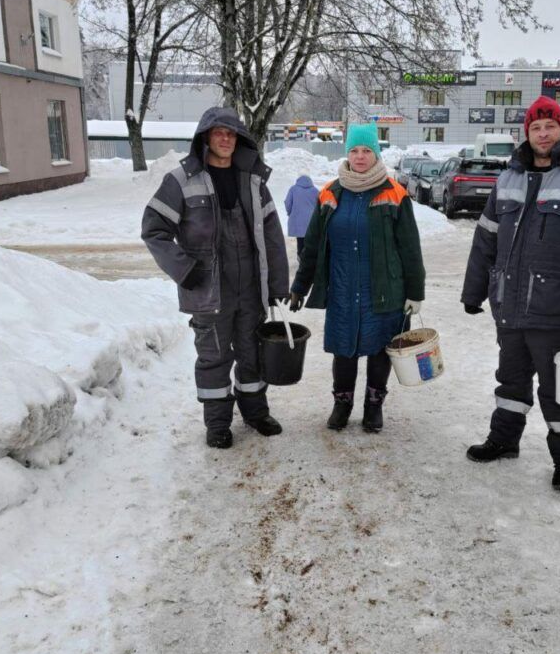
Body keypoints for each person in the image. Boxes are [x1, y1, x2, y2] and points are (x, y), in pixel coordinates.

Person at [461, 96, 560, 492]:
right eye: (535, 128)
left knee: (559, 392)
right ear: (526, 133)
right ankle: (504, 440)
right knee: (509, 381)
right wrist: (474, 290)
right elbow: (485, 241)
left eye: (549, 126)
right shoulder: (508, 180)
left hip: (556, 312)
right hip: (509, 308)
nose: (543, 134)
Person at [142, 107, 290, 449]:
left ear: (239, 140)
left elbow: (272, 237)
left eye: (232, 133)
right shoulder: (180, 181)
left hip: (250, 289)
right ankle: (218, 424)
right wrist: (184, 269)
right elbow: (154, 231)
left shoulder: (252, 182)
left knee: (253, 354)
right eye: (218, 132)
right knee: (215, 357)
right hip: (209, 292)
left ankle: (255, 413)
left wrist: (277, 287)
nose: (225, 139)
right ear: (205, 137)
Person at [289, 124, 425, 433]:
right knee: (344, 350)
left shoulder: (394, 192)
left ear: (376, 154)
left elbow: (410, 248)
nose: (360, 157)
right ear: (347, 153)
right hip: (342, 290)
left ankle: (373, 407)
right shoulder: (329, 193)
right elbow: (312, 246)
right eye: (354, 150)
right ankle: (342, 404)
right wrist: (300, 286)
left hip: (385, 291)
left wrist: (415, 292)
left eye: (366, 151)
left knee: (380, 350)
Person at [284, 174, 318, 255]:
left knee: (300, 242)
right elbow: (319, 206)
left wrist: (290, 213)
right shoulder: (315, 190)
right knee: (310, 243)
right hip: (311, 222)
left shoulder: (293, 189)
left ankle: (301, 259)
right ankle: (309, 261)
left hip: (298, 221)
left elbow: (287, 203)